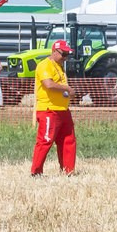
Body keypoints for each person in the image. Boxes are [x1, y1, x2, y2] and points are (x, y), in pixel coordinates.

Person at [31, 39, 77, 176]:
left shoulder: (60, 66)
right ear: (54, 51)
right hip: (49, 110)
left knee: (68, 140)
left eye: (67, 54)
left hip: (63, 110)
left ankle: (68, 171)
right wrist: (68, 89)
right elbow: (48, 84)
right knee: (45, 141)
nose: (65, 57)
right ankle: (36, 172)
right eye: (63, 54)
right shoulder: (45, 65)